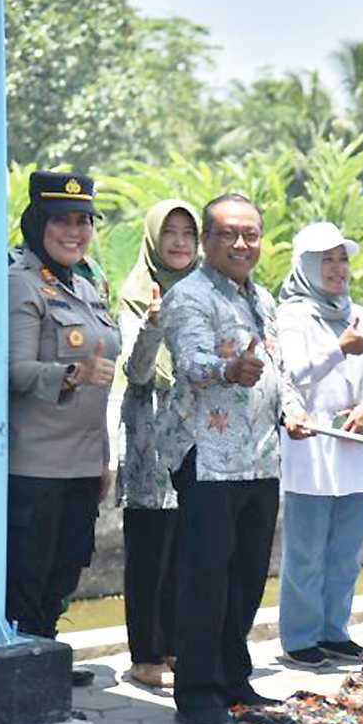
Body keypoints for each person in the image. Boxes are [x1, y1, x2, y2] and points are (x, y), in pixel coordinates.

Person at [158, 193, 311, 724]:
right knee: (206, 577)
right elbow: (192, 362)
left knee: (246, 575)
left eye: (251, 234)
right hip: (207, 457)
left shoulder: (263, 299)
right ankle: (197, 692)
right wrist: (229, 370)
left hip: (261, 456)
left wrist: (293, 411)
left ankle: (232, 675)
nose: (242, 244)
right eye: (229, 234)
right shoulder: (188, 296)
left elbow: (278, 369)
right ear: (207, 241)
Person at [4, 172, 120, 664]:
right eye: (60, 221)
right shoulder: (20, 282)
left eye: (83, 221)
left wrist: (103, 458)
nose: (73, 231)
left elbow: (107, 380)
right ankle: (19, 667)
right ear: (36, 223)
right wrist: (71, 373)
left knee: (65, 570)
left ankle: (43, 657)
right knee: (25, 575)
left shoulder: (88, 283)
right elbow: (11, 371)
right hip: (33, 463)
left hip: (80, 460)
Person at [276, 222, 363, 668]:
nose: (337, 269)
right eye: (327, 260)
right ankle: (300, 636)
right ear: (305, 265)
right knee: (305, 549)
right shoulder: (292, 316)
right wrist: (339, 349)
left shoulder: (357, 312)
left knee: (346, 548)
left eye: (342, 259)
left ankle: (334, 630)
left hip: (356, 440)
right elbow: (291, 375)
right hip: (311, 442)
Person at [115, 199, 201, 688]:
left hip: (193, 439)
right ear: (153, 238)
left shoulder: (203, 293)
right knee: (149, 549)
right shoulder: (135, 295)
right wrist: (153, 324)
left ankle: (171, 647)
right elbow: (139, 371)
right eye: (169, 232)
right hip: (150, 438)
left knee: (184, 550)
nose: (179, 242)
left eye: (188, 233)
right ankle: (144, 654)